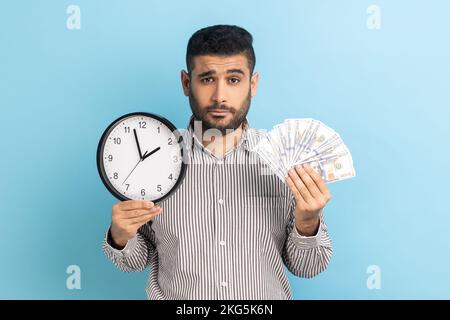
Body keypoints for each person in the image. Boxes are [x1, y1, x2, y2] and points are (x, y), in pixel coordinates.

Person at [103, 24, 333, 300]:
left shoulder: (286, 162)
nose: (220, 96)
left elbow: (307, 267)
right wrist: (120, 236)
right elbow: (135, 262)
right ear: (187, 83)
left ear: (253, 83)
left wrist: (307, 223)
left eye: (234, 80)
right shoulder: (152, 161)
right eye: (207, 79)